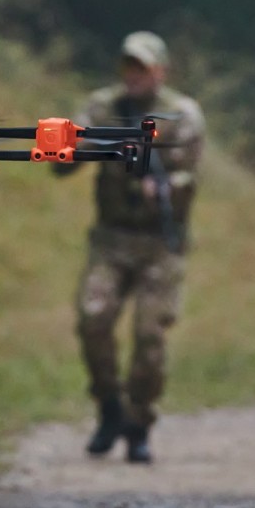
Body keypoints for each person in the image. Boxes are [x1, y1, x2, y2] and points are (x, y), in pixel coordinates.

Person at [56, 31, 207, 464]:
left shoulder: (180, 114)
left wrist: (160, 186)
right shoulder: (102, 107)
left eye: (143, 67)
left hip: (160, 242)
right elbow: (61, 161)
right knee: (93, 318)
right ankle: (109, 406)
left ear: (161, 70)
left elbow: (188, 174)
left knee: (149, 336)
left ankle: (138, 422)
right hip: (111, 238)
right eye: (129, 66)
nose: (134, 75)